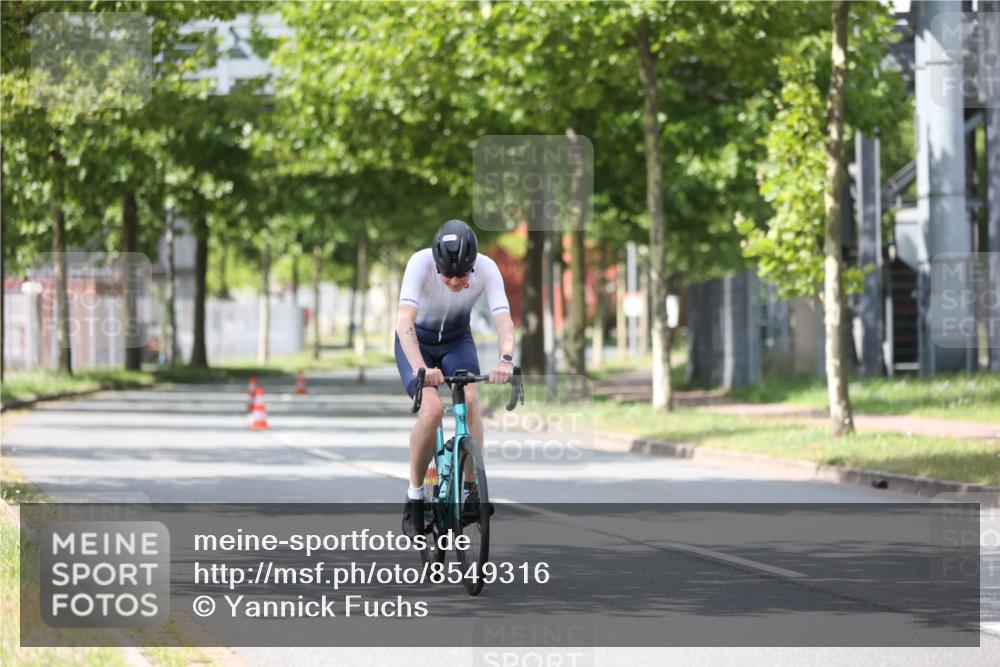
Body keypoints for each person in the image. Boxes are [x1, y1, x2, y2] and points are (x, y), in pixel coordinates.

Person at [394, 219, 515, 537]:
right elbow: (404, 321)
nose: (454, 280)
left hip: (456, 341)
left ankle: (470, 490)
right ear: (436, 264)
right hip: (416, 342)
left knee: (472, 400)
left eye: (462, 274)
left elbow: (503, 320)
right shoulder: (419, 263)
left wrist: (505, 359)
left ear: (473, 266)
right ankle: (415, 494)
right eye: (447, 274)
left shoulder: (487, 269)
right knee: (432, 411)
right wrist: (422, 368)